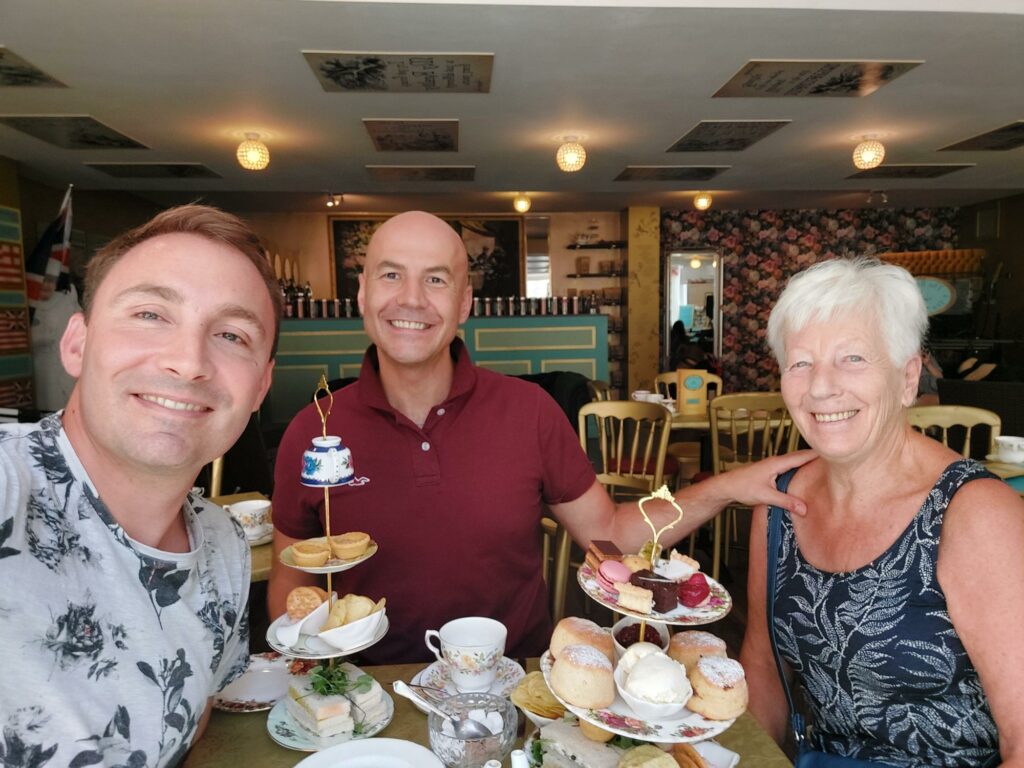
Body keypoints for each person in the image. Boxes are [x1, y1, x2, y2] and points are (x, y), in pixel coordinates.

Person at [269, 211, 813, 664]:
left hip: (512, 691)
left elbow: (612, 534)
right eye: (390, 276)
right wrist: (305, 673)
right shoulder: (312, 431)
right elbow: (290, 585)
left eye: (435, 279)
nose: (411, 299)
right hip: (369, 703)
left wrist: (724, 486)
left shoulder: (530, 412)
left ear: (464, 302)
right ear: (362, 294)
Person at [0, 205, 280, 767]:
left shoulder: (224, 547)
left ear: (260, 389)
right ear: (77, 343)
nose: (188, 361)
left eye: (230, 334)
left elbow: (184, 726)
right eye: (151, 314)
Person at [740, 257, 1023, 766]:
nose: (821, 387)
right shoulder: (781, 506)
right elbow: (763, 667)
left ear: (908, 377)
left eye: (853, 358)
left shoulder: (975, 514)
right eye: (800, 362)